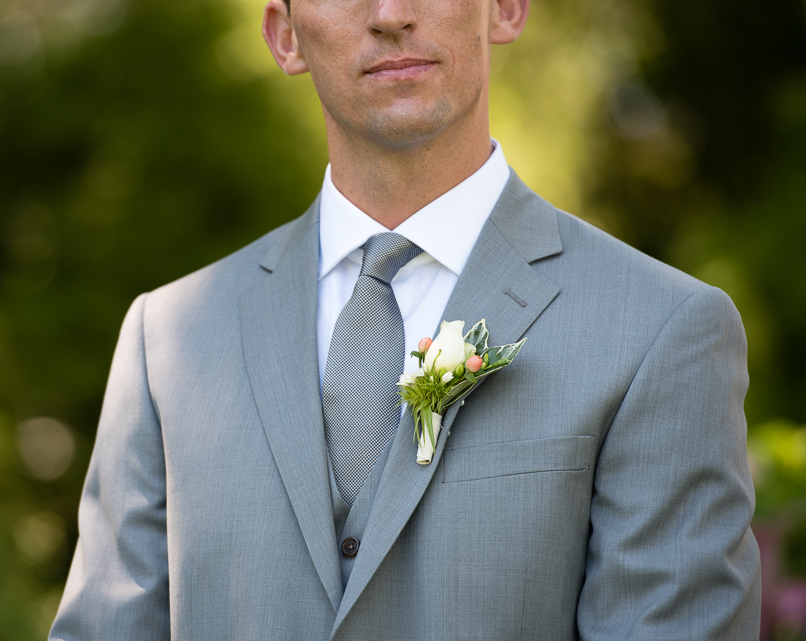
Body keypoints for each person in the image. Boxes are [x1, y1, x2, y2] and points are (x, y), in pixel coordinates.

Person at [48, 0, 761, 638]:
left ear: (507, 9)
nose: (390, 12)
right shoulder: (166, 338)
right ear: (285, 35)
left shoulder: (664, 329)